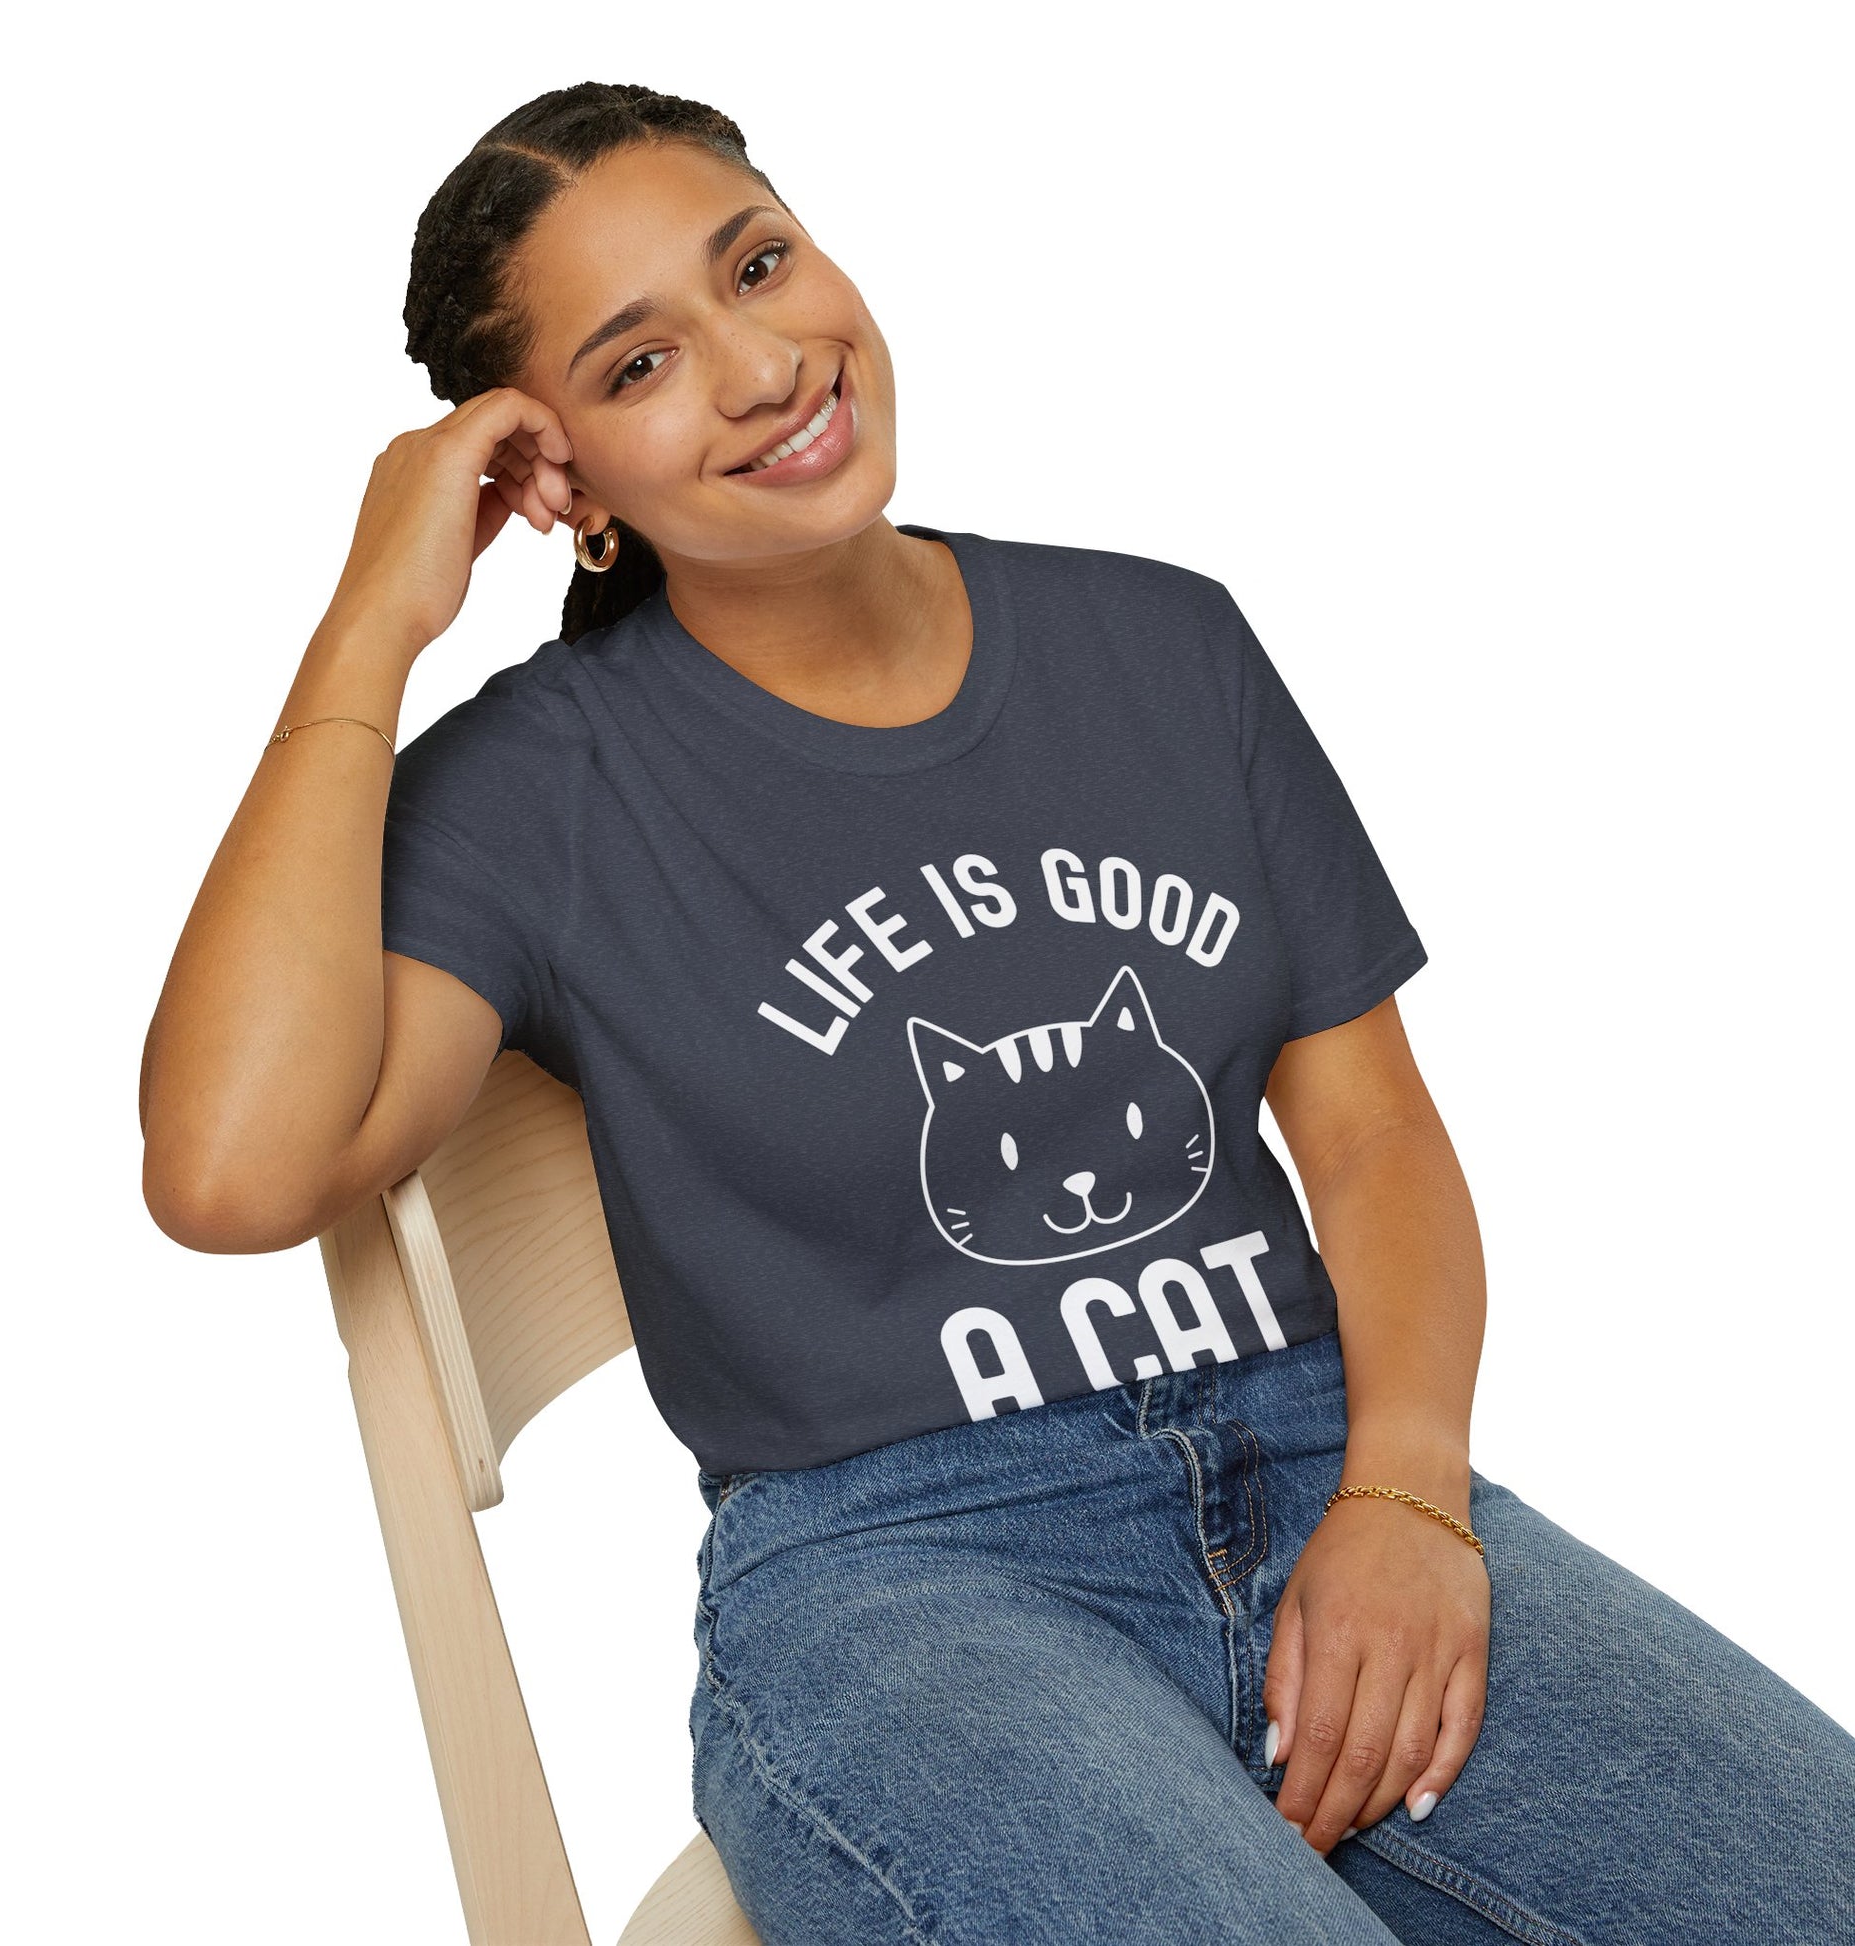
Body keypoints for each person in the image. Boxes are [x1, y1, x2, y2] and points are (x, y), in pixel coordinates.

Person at [139, 81, 1855, 1945]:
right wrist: (370, 622)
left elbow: (1371, 1137)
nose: (762, 367)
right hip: (903, 1576)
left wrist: (1409, 1494)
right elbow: (231, 1169)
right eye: (639, 364)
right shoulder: (545, 786)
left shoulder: (1165, 645)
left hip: (1324, 1457)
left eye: (758, 266)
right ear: (564, 485)